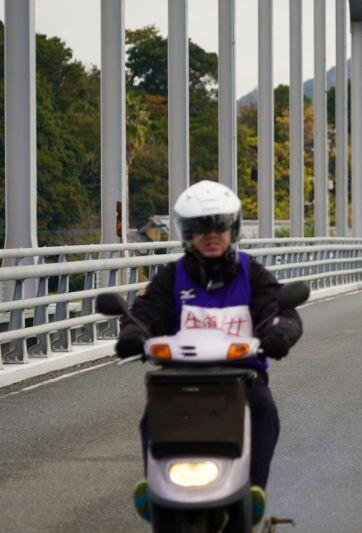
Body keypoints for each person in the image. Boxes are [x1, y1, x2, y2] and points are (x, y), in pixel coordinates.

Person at [114, 180, 303, 524]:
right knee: (151, 417)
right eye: (201, 227)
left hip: (241, 378)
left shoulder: (251, 273)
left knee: (265, 410)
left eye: (220, 226)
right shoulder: (172, 277)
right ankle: (155, 487)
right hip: (179, 379)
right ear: (187, 233)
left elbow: (278, 309)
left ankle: (253, 490)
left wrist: (280, 332)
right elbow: (146, 312)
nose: (212, 235)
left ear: (233, 229)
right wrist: (132, 333)